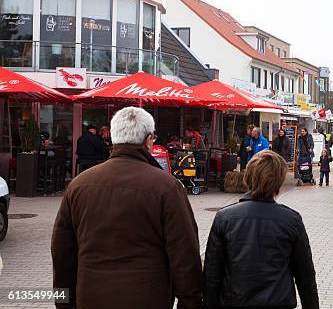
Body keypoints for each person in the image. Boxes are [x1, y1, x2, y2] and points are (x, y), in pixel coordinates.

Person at [52, 107, 202, 309]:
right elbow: (184, 254)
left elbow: (62, 254)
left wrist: (64, 303)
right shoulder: (167, 187)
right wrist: (190, 303)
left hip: (90, 297)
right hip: (148, 298)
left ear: (114, 138)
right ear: (148, 140)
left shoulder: (79, 185)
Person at [203, 150, 319, 309]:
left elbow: (211, 276)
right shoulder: (291, 220)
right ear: (278, 181)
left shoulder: (225, 218)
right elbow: (305, 277)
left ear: (248, 176)